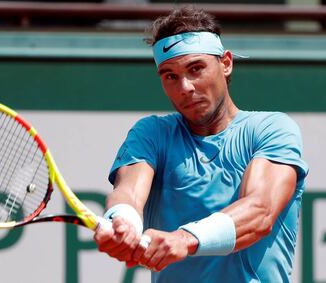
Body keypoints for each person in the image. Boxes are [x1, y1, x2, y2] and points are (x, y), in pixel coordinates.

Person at [94, 6, 308, 283]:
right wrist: (124, 222)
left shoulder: (272, 129)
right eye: (170, 76)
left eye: (196, 69)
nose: (184, 87)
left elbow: (260, 210)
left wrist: (186, 239)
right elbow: (128, 193)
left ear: (226, 63)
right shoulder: (152, 133)